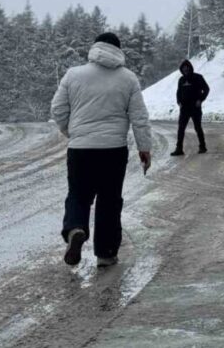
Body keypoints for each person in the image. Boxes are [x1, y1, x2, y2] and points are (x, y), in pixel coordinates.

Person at [51, 32, 152, 268]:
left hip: (80, 149)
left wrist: (72, 132)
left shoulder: (73, 75)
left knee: (78, 194)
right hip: (113, 150)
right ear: (118, 50)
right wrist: (144, 148)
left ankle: (76, 228)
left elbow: (57, 109)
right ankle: (106, 254)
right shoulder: (128, 78)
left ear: (94, 48)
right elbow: (139, 117)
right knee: (109, 200)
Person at [172, 59, 209, 156]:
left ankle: (203, 146)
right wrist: (179, 102)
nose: (185, 70)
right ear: (181, 70)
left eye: (187, 68)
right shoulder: (181, 80)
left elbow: (206, 89)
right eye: (183, 69)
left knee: (197, 127)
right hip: (184, 108)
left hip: (195, 107)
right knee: (181, 128)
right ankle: (179, 148)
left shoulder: (198, 77)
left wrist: (200, 99)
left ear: (190, 68)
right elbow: (178, 92)